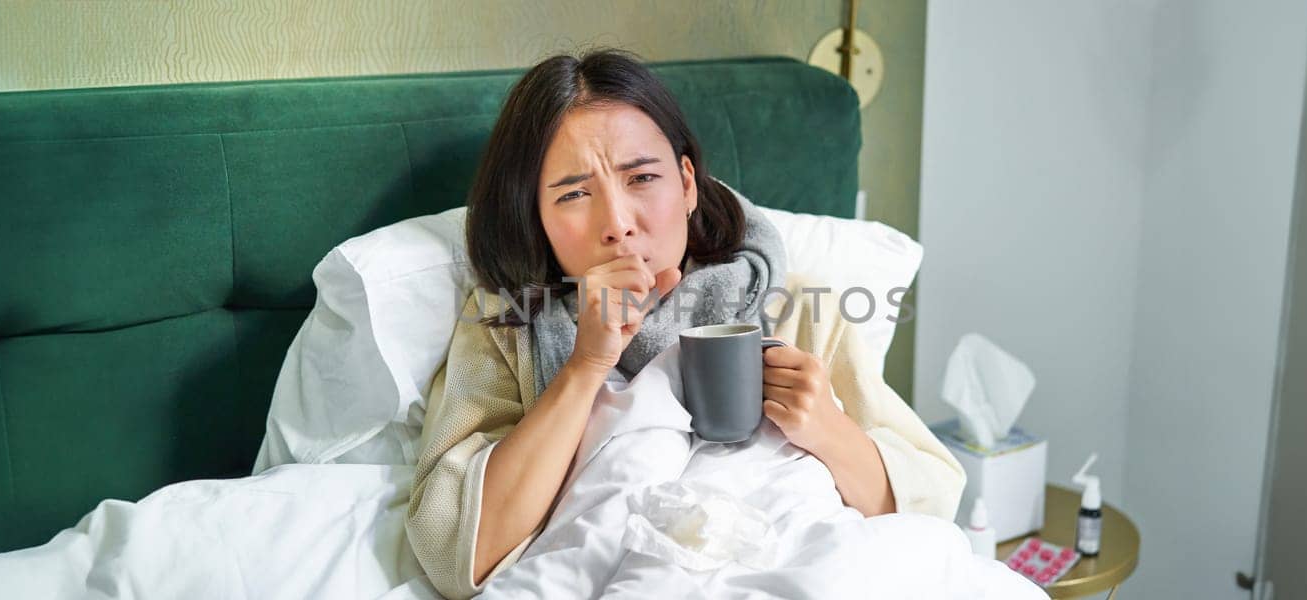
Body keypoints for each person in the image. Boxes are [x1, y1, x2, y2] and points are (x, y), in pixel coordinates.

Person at [404, 49, 965, 599]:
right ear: (537, 216)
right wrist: (585, 366)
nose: (619, 224)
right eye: (574, 193)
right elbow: (457, 554)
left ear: (688, 183)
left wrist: (827, 429)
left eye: (642, 178)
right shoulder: (509, 324)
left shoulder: (793, 303)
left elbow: (930, 502)